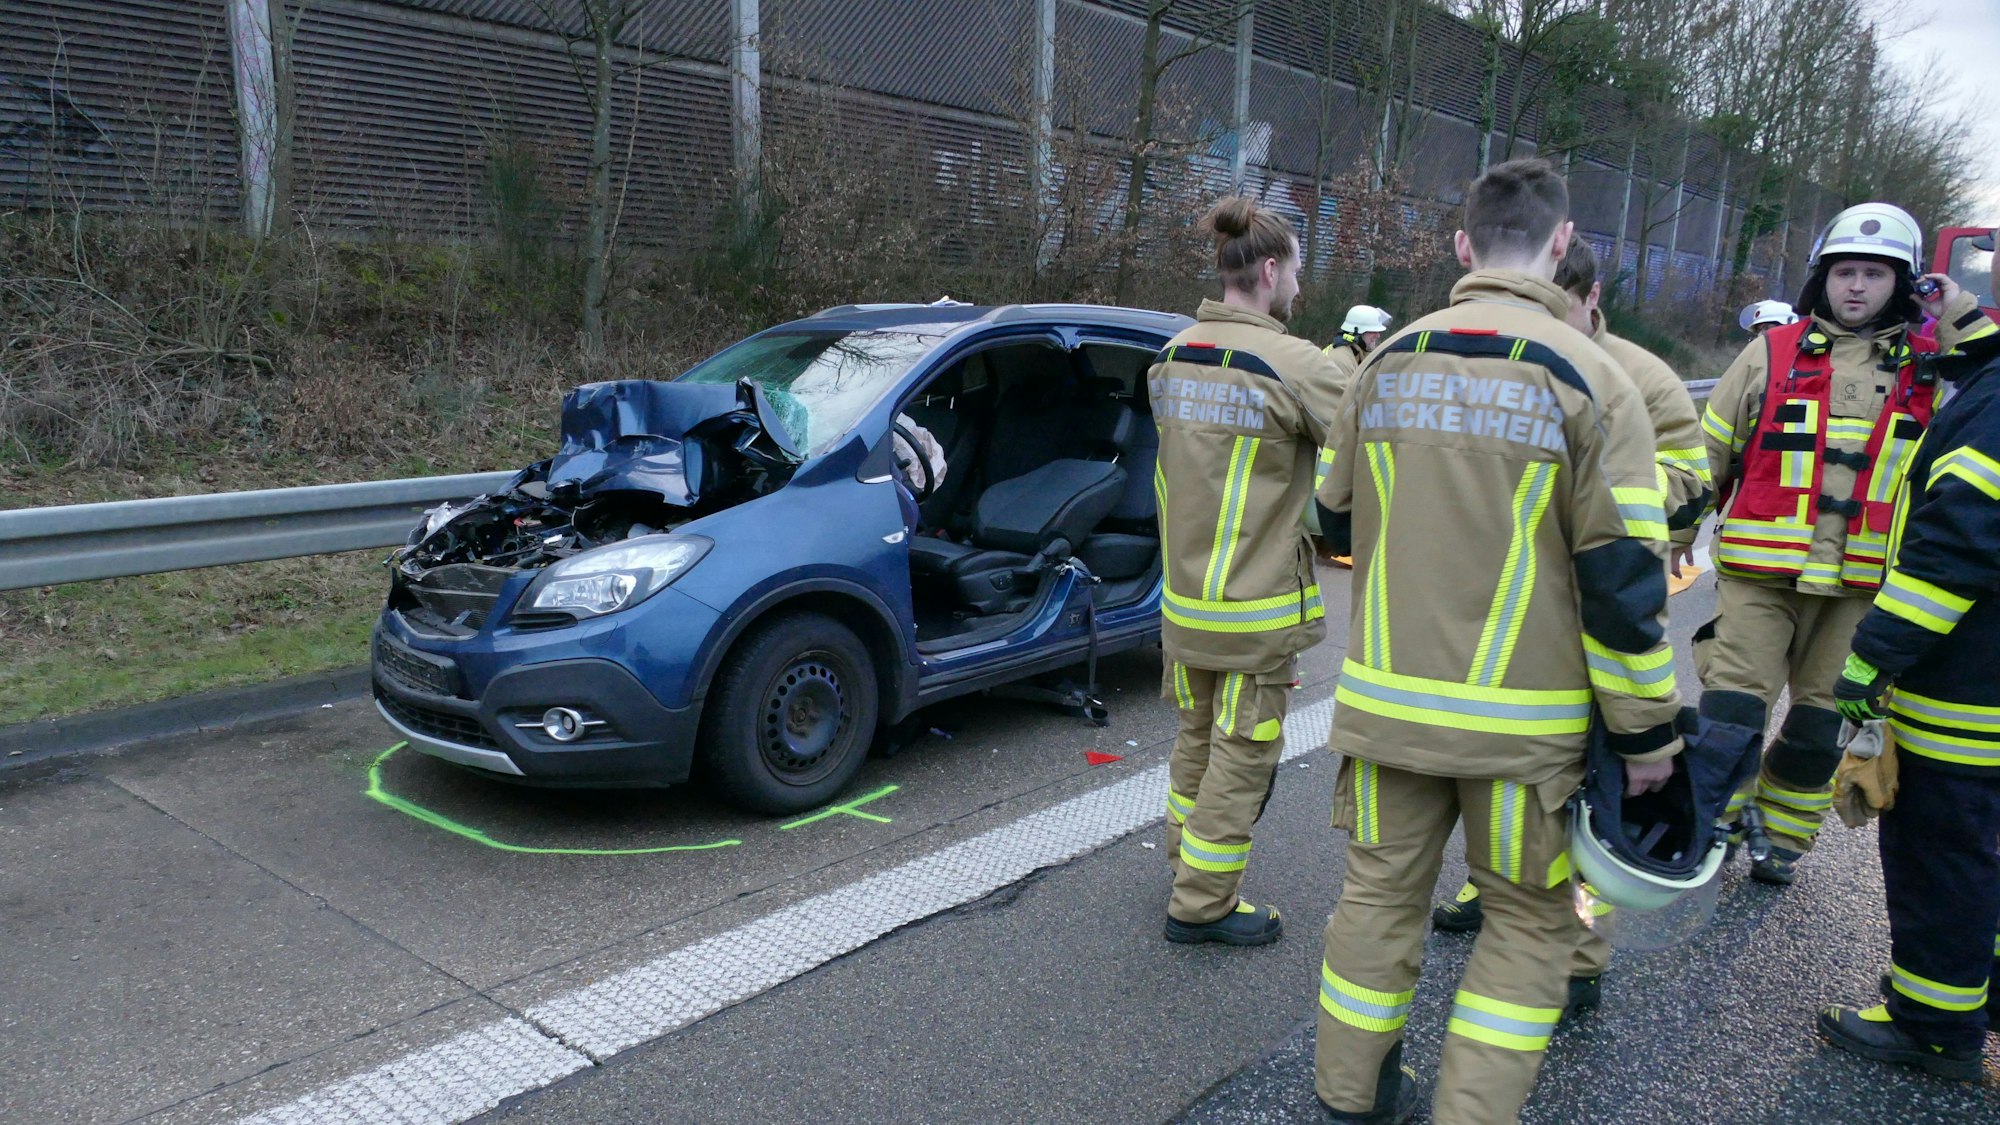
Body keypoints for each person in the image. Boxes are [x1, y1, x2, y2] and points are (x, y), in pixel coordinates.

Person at [1312, 159, 1681, 1124]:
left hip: (1388, 711)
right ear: (1563, 245)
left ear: (1462, 245)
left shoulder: (1386, 359)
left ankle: (1348, 1097)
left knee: (1377, 901)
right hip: (1525, 735)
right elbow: (1626, 589)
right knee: (1526, 921)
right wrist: (1647, 738)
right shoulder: (1597, 379)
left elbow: (1333, 516)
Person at [1427, 234, 1712, 1015]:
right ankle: (1500, 893)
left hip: (1602, 602)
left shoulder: (1638, 379)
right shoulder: (1520, 357)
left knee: (1594, 791)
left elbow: (1692, 482)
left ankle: (1579, 954)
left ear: (1591, 301)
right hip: (1514, 600)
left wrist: (1599, 490)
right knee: (1504, 780)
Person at [1697, 203, 1991, 885]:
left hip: (1863, 589)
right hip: (1760, 574)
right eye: (1845, 272)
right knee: (1729, 715)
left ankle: (1782, 833)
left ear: (1906, 283)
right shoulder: (1770, 350)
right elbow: (1706, 450)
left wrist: (1959, 311)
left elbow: (1995, 378)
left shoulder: (1936, 368)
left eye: (1875, 274)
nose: (1856, 287)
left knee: (1817, 729)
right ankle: (1712, 821)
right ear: (1821, 278)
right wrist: (1670, 535)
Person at [1817, 269, 2000, 1080]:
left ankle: (1933, 1022)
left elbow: (1953, 553)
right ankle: (1977, 988)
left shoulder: (1993, 411)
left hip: (1968, 694)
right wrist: (1951, 308)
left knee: (1941, 856)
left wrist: (1873, 655)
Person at [1150, 197, 1341, 946]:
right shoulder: (1294, 363)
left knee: (1195, 737)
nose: (1298, 285)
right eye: (1295, 270)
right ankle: (1201, 903)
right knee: (1244, 751)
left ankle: (1182, 862)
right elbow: (1363, 449)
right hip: (1254, 607)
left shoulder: (1172, 357)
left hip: (1184, 604)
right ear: (1269, 270)